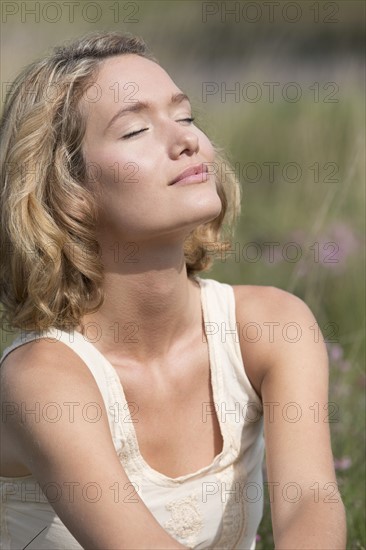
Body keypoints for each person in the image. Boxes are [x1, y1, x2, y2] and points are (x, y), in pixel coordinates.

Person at [0, 32, 346, 550]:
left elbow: (309, 505)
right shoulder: (42, 380)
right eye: (136, 129)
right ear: (70, 193)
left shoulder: (273, 327)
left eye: (185, 117)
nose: (188, 141)